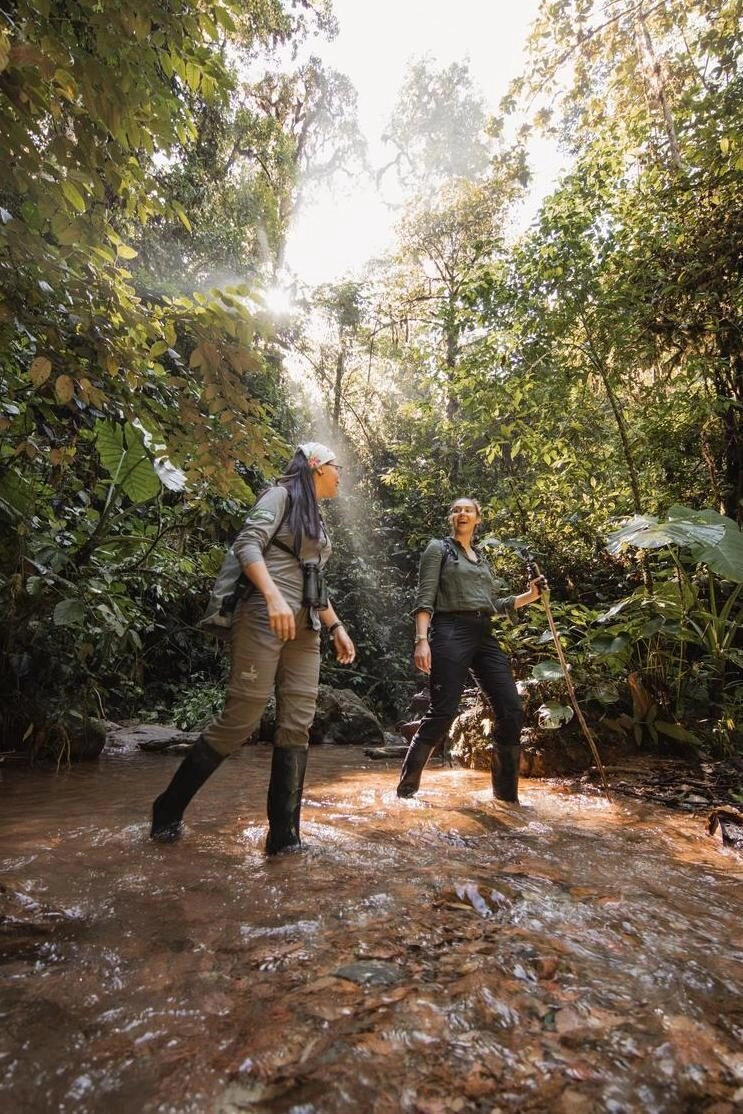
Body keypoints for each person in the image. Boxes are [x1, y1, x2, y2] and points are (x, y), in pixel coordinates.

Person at [150, 443, 355, 852]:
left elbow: (313, 580)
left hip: (307, 628)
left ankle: (284, 839)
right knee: (242, 719)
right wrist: (274, 596)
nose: (340, 474)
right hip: (264, 615)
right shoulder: (279, 495)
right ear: (316, 467)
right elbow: (247, 546)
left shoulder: (317, 518)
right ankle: (167, 808)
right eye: (336, 467)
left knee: (297, 725)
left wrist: (336, 626)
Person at [397, 497, 545, 804]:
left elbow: (492, 606)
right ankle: (406, 793)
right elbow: (425, 597)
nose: (461, 513)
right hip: (449, 630)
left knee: (511, 709)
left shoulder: (481, 558)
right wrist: (421, 640)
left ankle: (506, 799)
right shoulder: (439, 549)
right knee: (442, 712)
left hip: (483, 634)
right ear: (451, 518)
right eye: (456, 510)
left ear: (478, 519)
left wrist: (530, 596)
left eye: (468, 510)